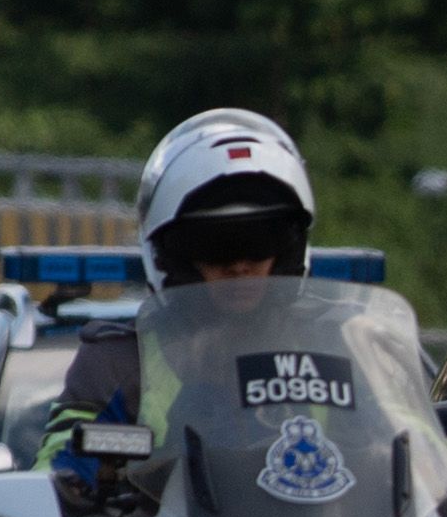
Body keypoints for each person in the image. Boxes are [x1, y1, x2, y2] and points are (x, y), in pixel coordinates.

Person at [34, 108, 316, 467]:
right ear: (175, 254)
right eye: (218, 246)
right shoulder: (119, 364)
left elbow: (406, 447)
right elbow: (58, 468)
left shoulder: (340, 355)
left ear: (290, 247)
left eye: (261, 240)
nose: (240, 265)